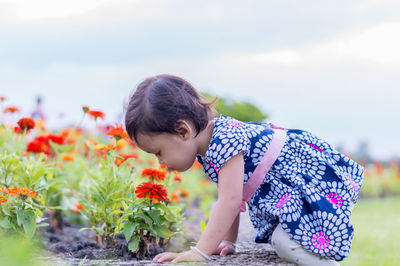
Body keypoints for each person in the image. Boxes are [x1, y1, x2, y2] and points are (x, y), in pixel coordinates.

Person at [124, 74, 363, 265]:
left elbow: (229, 200)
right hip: (295, 185)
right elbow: (232, 197)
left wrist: (200, 252)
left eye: (158, 152)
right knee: (285, 239)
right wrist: (229, 241)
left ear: (183, 130)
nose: (160, 162)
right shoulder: (212, 143)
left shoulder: (223, 140)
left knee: (285, 241)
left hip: (309, 183)